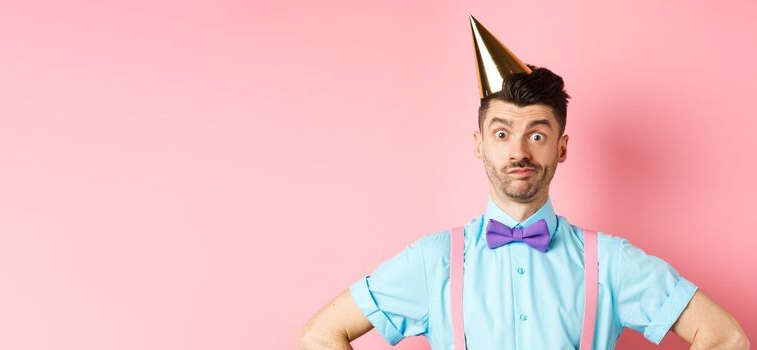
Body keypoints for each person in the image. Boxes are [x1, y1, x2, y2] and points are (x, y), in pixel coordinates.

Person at [299, 15, 749, 350]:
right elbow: (320, 336)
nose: (519, 151)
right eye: (502, 133)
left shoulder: (609, 262)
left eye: (537, 134)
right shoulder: (434, 259)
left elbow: (726, 337)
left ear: (562, 147)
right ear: (479, 144)